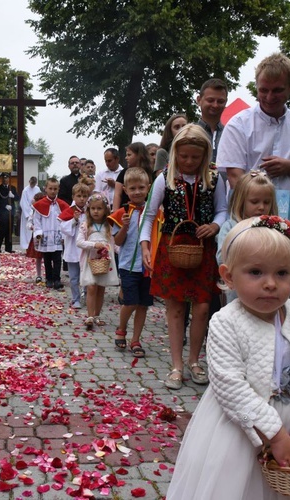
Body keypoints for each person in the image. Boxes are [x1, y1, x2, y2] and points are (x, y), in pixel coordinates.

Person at [166, 216, 290, 499]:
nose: (271, 284)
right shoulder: (226, 322)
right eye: (256, 272)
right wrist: (275, 435)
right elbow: (230, 386)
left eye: (282, 273)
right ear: (228, 276)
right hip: (241, 428)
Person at [216, 53, 290, 301]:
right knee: (247, 292)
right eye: (263, 90)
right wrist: (257, 213)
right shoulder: (239, 124)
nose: (268, 97)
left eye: (277, 90)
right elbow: (234, 175)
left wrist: (289, 166)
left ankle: (285, 338)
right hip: (247, 219)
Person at [140, 125, 227, 390]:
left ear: (205, 155)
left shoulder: (214, 178)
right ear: (176, 152)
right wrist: (146, 245)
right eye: (185, 156)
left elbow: (222, 210)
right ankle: (176, 365)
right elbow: (150, 214)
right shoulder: (164, 178)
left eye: (195, 157)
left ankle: (194, 361)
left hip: (203, 247)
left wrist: (214, 226)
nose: (189, 161)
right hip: (172, 245)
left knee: (202, 307)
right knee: (175, 308)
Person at [109, 167, 153, 357]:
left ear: (148, 188)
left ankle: (136, 340)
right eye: (132, 188)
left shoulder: (154, 212)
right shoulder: (122, 212)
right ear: (125, 190)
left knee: (143, 304)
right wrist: (124, 227)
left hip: (148, 266)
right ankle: (121, 328)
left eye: (141, 187)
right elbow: (117, 242)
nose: (137, 192)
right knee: (130, 302)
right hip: (127, 265)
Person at [216, 171, 278, 303]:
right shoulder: (230, 227)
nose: (261, 207)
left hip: (268, 290)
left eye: (267, 202)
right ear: (241, 201)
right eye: (255, 202)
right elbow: (222, 257)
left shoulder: (274, 227)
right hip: (238, 294)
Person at [77, 192, 120, 329]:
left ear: (105, 210)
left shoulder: (109, 226)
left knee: (101, 288)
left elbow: (115, 244)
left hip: (105, 260)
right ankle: (89, 316)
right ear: (89, 210)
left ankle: (97, 315)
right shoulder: (85, 226)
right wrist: (93, 245)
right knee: (91, 286)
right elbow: (79, 242)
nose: (96, 211)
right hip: (91, 260)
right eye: (93, 208)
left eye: (99, 208)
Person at [33, 178, 70, 289]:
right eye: (50, 188)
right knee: (47, 258)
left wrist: (64, 235)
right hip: (45, 235)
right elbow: (37, 220)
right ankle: (49, 279)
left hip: (57, 235)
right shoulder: (40, 205)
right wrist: (38, 232)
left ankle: (57, 279)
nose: (53, 191)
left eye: (55, 189)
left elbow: (66, 219)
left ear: (58, 189)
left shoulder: (62, 204)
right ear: (46, 189)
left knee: (57, 259)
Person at [59, 182, 90, 308]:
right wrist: (74, 220)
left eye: (84, 196)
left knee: (87, 276)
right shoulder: (69, 211)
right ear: (73, 197)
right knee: (74, 277)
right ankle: (75, 298)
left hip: (86, 249)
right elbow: (63, 228)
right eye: (79, 196)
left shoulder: (91, 210)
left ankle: (88, 296)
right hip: (73, 249)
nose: (82, 199)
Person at [196, 78, 228, 165]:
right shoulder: (189, 133)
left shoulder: (230, 133)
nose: (215, 105)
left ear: (226, 102)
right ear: (199, 100)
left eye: (220, 101)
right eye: (210, 100)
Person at [113, 142, 153, 210]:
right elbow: (117, 194)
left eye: (129, 155)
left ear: (139, 155)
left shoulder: (150, 173)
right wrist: (115, 213)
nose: (126, 158)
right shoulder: (124, 173)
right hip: (126, 212)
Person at [0, 172, 18, 253]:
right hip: (3, 212)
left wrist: (13, 196)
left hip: (11, 212)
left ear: (8, 179)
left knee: (9, 230)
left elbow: (17, 198)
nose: (5, 179)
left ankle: (8, 248)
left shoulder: (12, 188)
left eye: (6, 178)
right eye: (3, 178)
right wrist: (5, 206)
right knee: (2, 230)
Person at [25, 192, 46, 283]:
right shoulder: (33, 211)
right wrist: (32, 227)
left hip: (46, 236)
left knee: (48, 256)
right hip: (37, 237)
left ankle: (50, 273)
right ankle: (38, 275)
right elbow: (29, 223)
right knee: (38, 257)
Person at [20, 176, 41, 252]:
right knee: (27, 231)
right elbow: (23, 203)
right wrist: (29, 213)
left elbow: (40, 199)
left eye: (34, 184)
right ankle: (27, 247)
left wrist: (36, 209)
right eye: (31, 183)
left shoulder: (37, 189)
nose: (32, 185)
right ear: (29, 182)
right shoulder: (25, 190)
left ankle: (35, 247)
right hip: (28, 212)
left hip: (36, 211)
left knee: (35, 230)